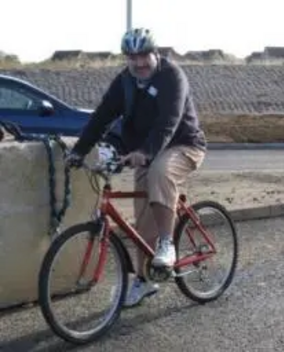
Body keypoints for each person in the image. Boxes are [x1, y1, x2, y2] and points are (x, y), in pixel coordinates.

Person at [66, 27, 207, 307]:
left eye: (144, 55)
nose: (139, 63)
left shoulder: (171, 76)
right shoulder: (125, 81)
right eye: (133, 57)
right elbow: (102, 117)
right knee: (143, 223)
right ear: (126, 59)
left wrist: (145, 151)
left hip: (184, 145)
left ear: (155, 53)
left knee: (160, 172)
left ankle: (167, 244)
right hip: (148, 151)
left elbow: (169, 121)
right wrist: (79, 151)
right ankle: (144, 280)